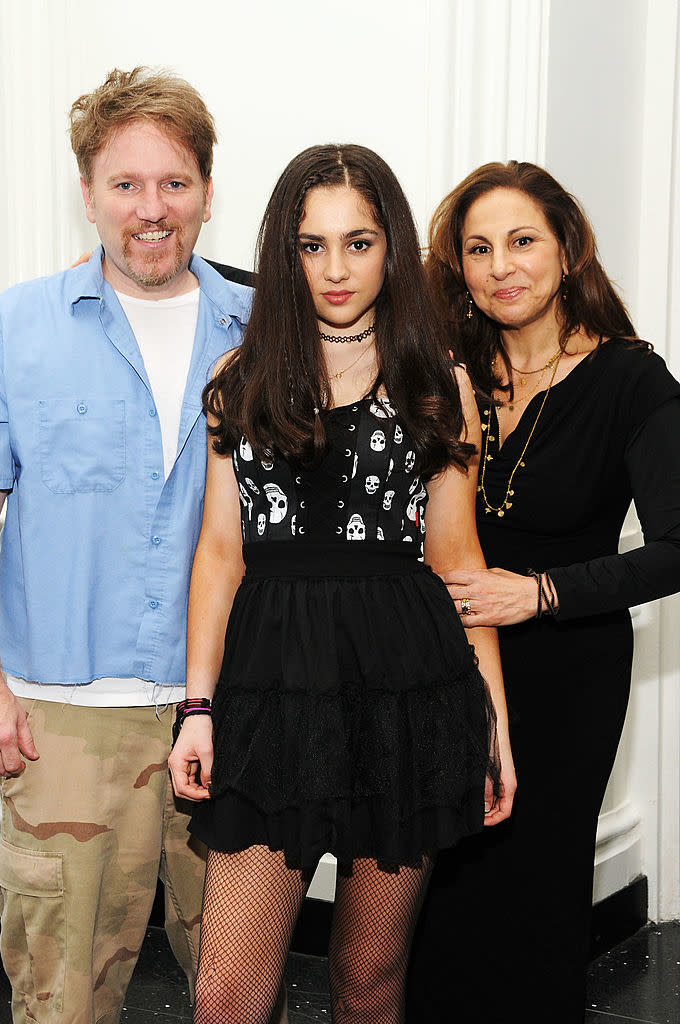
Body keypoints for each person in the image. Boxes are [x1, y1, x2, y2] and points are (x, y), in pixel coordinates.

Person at [168, 143, 516, 1024]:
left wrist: (495, 724)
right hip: (268, 692)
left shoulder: (440, 386)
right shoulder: (236, 384)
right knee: (226, 994)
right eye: (310, 245)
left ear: (392, 248)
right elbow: (219, 554)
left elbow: (458, 563)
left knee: (368, 980)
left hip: (406, 691)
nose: (334, 268)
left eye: (358, 243)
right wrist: (196, 709)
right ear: (284, 253)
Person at [0, 67, 263, 1024]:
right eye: (124, 184)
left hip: (239, 714)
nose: (151, 208)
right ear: (86, 193)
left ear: (208, 191)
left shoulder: (263, 332)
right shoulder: (17, 327)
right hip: (64, 726)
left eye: (174, 182)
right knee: (62, 999)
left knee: (240, 992)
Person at [406, 160, 680, 1024]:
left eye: (522, 241)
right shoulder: (446, 371)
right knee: (435, 886)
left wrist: (540, 594)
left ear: (567, 248)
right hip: (443, 662)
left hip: (567, 671)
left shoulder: (632, 379)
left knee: (534, 891)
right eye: (478, 249)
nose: (501, 267)